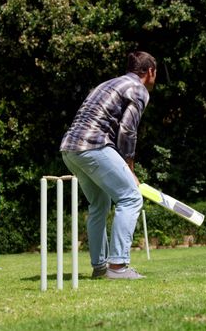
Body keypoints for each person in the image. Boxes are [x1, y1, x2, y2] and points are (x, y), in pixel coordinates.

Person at [60, 51, 157, 280]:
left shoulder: (108, 83)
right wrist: (130, 169)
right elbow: (127, 130)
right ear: (150, 72)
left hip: (69, 148)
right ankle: (118, 266)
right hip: (93, 145)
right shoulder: (138, 89)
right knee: (131, 197)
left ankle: (100, 267)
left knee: (99, 204)